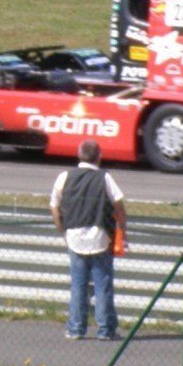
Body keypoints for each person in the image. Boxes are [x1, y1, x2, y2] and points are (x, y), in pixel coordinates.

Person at [51, 139, 127, 340]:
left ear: (79, 155)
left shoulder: (64, 177)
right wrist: (123, 228)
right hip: (100, 236)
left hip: (74, 236)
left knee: (78, 285)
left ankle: (76, 329)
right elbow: (118, 203)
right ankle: (106, 330)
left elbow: (54, 206)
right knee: (103, 285)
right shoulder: (105, 177)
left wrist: (62, 230)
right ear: (99, 157)